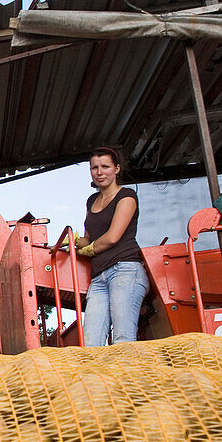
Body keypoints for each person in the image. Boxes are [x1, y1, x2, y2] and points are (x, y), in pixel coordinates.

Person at [75, 147, 150, 346]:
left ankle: (129, 377)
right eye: (94, 168)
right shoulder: (91, 200)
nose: (100, 172)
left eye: (105, 167)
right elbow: (89, 238)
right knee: (91, 344)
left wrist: (90, 249)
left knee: (122, 339)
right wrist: (73, 241)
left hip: (125, 270)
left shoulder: (126, 196)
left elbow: (112, 237)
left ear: (117, 169)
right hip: (99, 277)